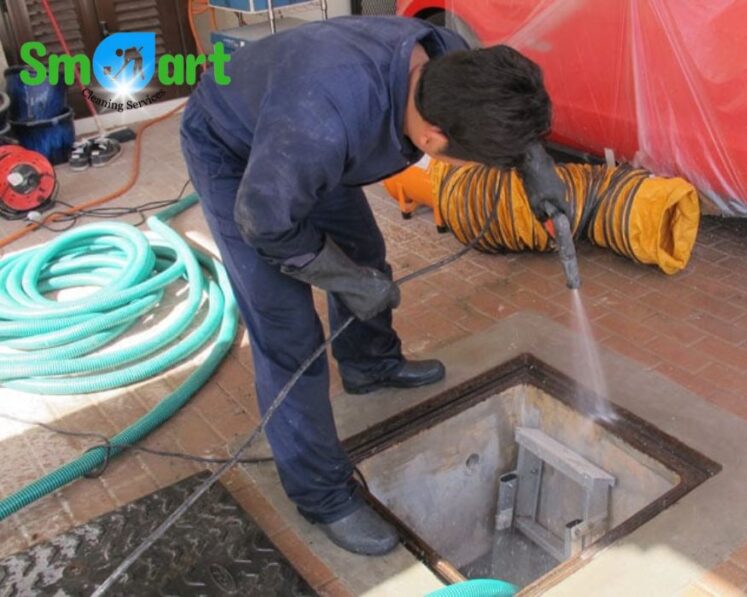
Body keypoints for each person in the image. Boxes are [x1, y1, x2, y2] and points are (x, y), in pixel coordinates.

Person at [180, 16, 569, 556]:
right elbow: (264, 222)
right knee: (288, 330)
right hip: (234, 150)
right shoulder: (326, 119)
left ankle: (369, 365)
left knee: (365, 254)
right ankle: (321, 495)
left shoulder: (447, 61)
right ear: (433, 140)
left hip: (301, 132)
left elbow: (501, 98)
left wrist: (536, 167)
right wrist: (343, 281)